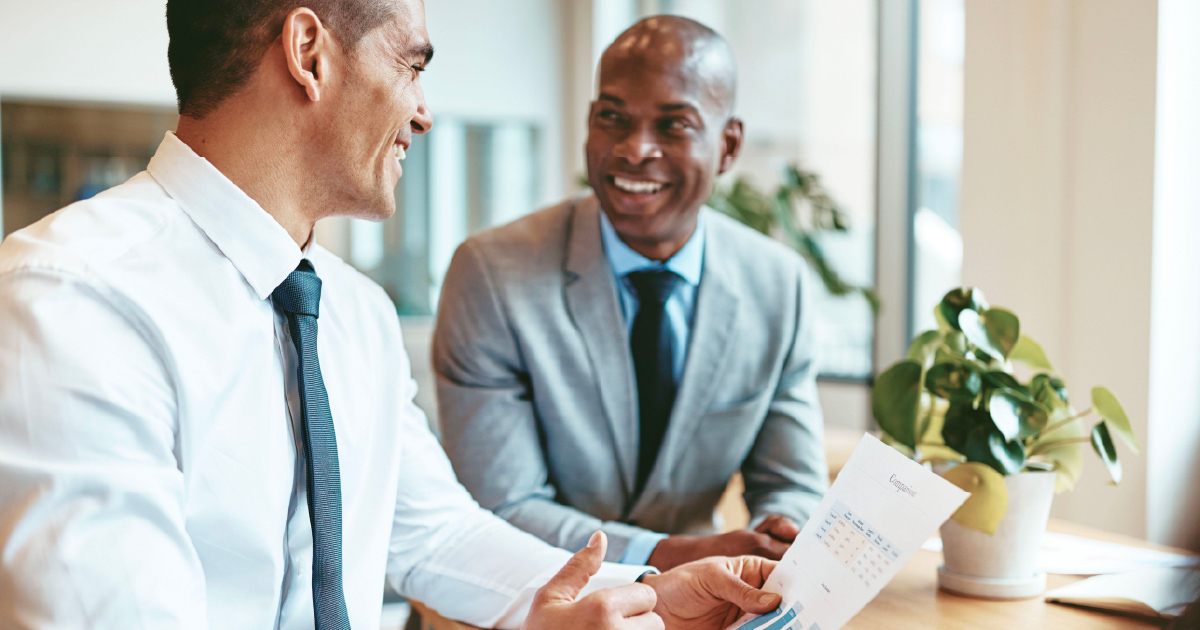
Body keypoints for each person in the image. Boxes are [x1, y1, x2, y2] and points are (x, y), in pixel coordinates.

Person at [0, 2, 784, 629]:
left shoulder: (355, 314)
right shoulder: (71, 298)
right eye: (412, 65)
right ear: (309, 54)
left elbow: (439, 536)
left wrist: (652, 589)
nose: (423, 113)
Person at [434, 16, 829, 573]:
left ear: (729, 146)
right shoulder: (494, 275)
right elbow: (502, 508)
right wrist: (677, 555)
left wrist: (782, 531)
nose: (634, 149)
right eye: (612, 118)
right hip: (529, 603)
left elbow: (793, 485)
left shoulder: (777, 285)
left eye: (673, 126)